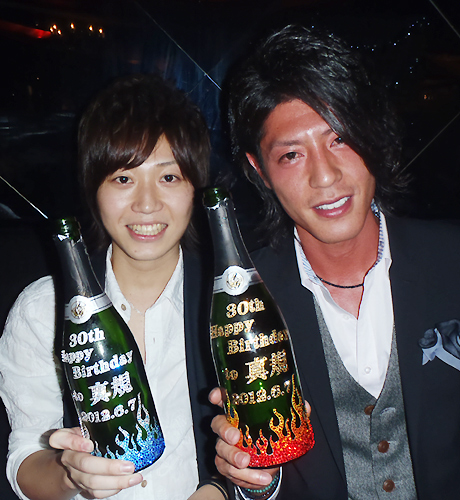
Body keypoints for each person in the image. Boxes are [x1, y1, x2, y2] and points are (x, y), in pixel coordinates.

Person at [209, 25, 460, 499]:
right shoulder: (239, 309)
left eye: (340, 139)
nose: (324, 176)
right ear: (260, 170)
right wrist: (254, 480)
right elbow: (252, 481)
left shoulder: (451, 260)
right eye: (291, 154)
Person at [0, 74, 227, 500]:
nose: (146, 204)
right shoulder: (43, 310)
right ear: (94, 189)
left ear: (195, 189)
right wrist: (68, 474)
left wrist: (223, 490)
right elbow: (26, 459)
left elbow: (265, 457)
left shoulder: (229, 303)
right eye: (123, 179)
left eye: (169, 177)